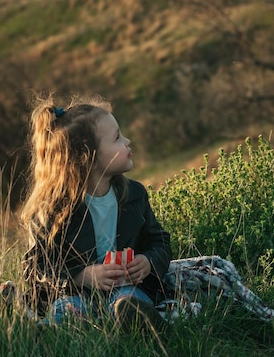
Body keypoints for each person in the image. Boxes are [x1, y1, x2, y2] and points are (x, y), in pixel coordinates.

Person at [20, 93, 171, 331]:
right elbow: (36, 266)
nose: (128, 141)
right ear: (88, 158)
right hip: (76, 292)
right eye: (118, 138)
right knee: (67, 310)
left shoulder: (134, 195)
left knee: (129, 301)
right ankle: (48, 337)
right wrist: (82, 276)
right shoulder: (51, 210)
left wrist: (148, 262)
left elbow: (159, 240)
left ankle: (145, 326)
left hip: (127, 287)